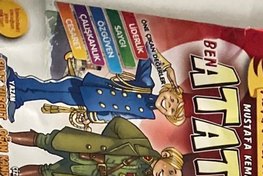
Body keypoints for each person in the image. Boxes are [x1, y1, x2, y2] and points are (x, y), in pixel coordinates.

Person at [9, 118, 185, 176]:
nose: (165, 175)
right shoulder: (142, 144)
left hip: (83, 172)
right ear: (167, 156)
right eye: (171, 171)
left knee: (46, 172)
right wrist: (103, 145)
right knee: (44, 140)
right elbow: (117, 123)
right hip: (83, 148)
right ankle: (7, 137)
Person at [4, 56, 185, 125]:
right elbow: (145, 55)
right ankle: (16, 81)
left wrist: (95, 117)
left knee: (54, 98)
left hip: (93, 104)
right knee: (53, 87)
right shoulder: (146, 84)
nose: (168, 103)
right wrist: (166, 66)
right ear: (170, 90)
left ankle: (19, 96)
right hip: (92, 88)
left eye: (171, 109)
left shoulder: (146, 113)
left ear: (167, 115)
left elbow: (118, 116)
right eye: (173, 99)